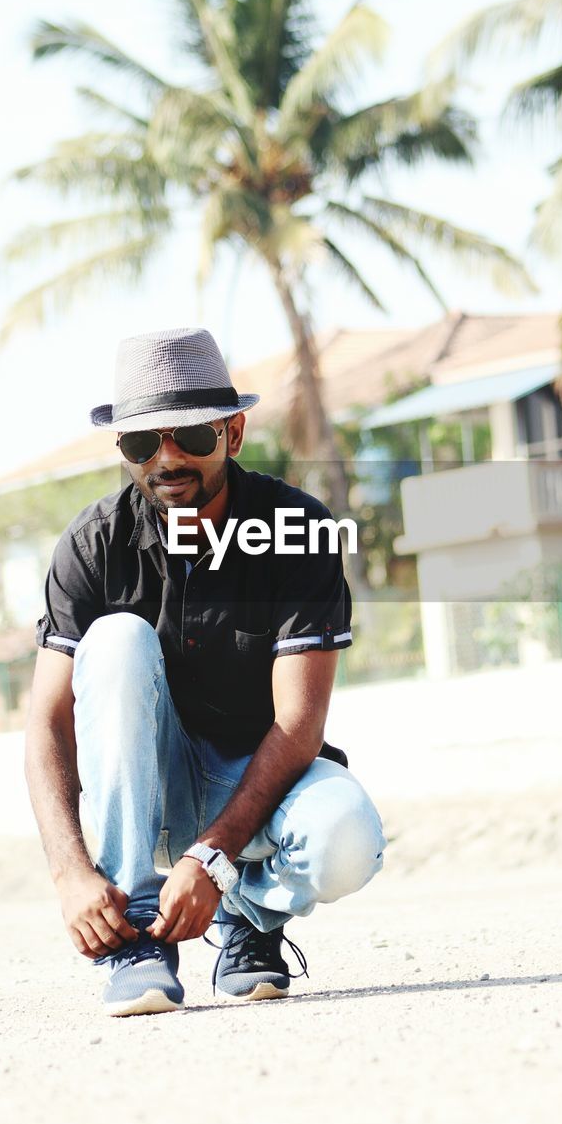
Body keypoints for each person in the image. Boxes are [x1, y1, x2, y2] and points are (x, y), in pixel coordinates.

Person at [26, 327, 386, 1016]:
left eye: (190, 435)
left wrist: (213, 861)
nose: (166, 458)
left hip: (248, 787)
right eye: (141, 442)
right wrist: (70, 872)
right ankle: (135, 932)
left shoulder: (296, 529)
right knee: (117, 640)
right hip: (144, 795)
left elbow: (298, 724)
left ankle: (248, 921)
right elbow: (46, 723)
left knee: (346, 837)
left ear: (233, 432)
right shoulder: (91, 545)